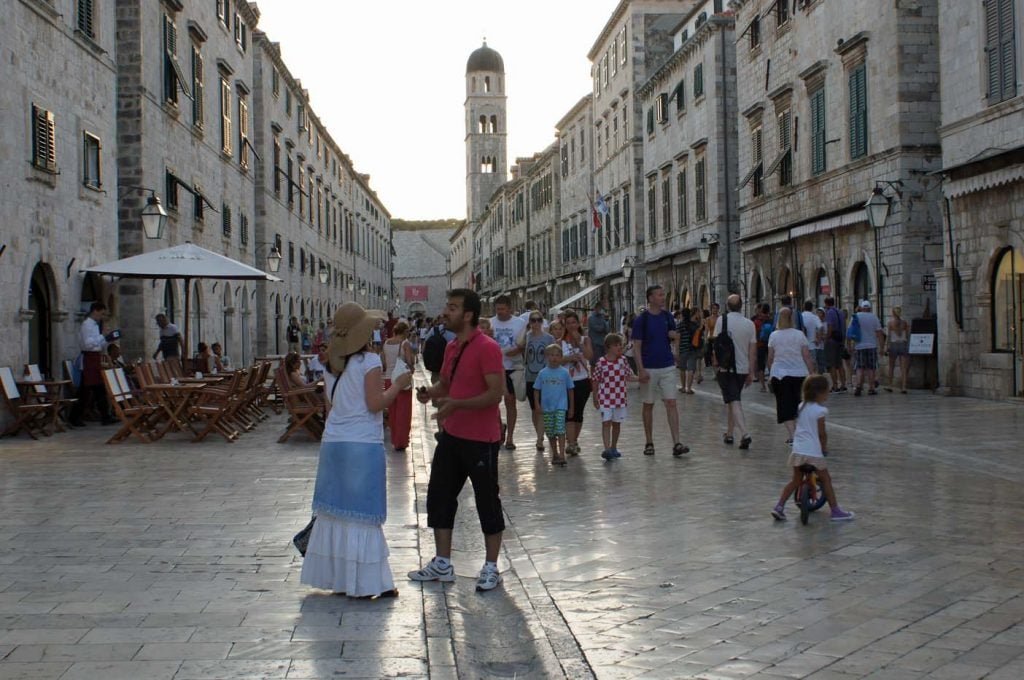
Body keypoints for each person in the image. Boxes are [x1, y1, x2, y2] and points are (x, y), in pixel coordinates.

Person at [300, 302, 412, 598]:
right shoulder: (369, 363)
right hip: (362, 444)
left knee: (337, 514)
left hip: (333, 442)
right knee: (363, 513)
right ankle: (365, 583)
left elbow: (331, 407)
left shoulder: (329, 365)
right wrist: (398, 384)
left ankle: (340, 579)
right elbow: (375, 404)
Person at [410, 289, 506, 592]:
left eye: (452, 308)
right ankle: (442, 562)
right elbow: (447, 384)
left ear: (468, 315)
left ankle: (491, 566)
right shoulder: (453, 347)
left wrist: (456, 404)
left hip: (481, 438)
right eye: (447, 306)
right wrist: (431, 394)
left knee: (486, 500)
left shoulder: (488, 348)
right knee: (439, 496)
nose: (446, 311)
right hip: (452, 434)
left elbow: (495, 394)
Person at [770, 375, 855, 522]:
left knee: (795, 481)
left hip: (798, 451)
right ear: (820, 393)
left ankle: (779, 506)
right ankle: (835, 510)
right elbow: (822, 434)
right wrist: (824, 448)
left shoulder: (800, 406)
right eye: (827, 392)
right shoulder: (820, 411)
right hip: (813, 452)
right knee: (826, 479)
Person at [631, 285, 689, 457]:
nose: (663, 297)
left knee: (671, 403)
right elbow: (636, 346)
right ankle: (649, 441)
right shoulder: (642, 319)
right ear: (650, 298)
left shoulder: (667, 316)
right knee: (648, 404)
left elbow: (671, 333)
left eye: (664, 294)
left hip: (667, 366)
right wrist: (640, 369)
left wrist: (676, 348)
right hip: (649, 366)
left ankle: (677, 442)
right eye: (659, 295)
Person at [713, 294, 757, 449]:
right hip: (743, 369)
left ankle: (745, 433)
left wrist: (715, 365)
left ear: (727, 306)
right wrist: (751, 371)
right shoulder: (749, 324)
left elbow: (716, 345)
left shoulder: (721, 321)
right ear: (741, 306)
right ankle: (730, 433)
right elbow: (753, 350)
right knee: (733, 399)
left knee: (734, 401)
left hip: (727, 368)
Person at [767, 308, 817, 442]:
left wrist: (769, 372)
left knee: (784, 406)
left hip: (780, 375)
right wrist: (812, 374)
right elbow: (807, 356)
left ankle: (793, 435)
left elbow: (770, 357)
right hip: (799, 373)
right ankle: (798, 434)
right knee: (798, 404)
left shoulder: (774, 335)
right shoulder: (800, 334)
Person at [68, 302, 116, 427]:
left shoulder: (94, 325)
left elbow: (98, 344)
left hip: (94, 358)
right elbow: (88, 344)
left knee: (94, 388)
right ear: (95, 311)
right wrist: (103, 336)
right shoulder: (87, 325)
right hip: (89, 358)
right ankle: (76, 417)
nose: (102, 316)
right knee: (89, 389)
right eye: (102, 313)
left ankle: (104, 416)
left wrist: (106, 339)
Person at [490, 296, 527, 450]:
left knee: (510, 402)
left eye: (503, 309)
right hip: (494, 368)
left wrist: (518, 349)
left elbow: (525, 343)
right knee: (492, 402)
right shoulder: (490, 323)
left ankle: (510, 437)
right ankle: (499, 428)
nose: (500, 312)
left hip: (512, 367)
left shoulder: (520, 323)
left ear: (510, 308)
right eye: (498, 309)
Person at [591, 333, 636, 460]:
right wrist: (595, 397)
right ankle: (606, 449)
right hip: (605, 398)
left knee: (617, 423)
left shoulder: (623, 360)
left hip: (620, 398)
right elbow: (595, 380)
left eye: (620, 345)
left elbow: (628, 376)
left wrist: (640, 378)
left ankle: (613, 447)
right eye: (616, 345)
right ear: (609, 347)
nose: (619, 348)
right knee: (606, 422)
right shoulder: (601, 362)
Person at [559, 310, 593, 456]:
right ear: (565, 325)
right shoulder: (560, 342)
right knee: (568, 413)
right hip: (566, 381)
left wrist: (579, 341)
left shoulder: (585, 339)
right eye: (568, 323)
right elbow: (555, 361)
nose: (571, 325)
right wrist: (568, 359)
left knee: (578, 413)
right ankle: (571, 443)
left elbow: (589, 356)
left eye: (574, 322)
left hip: (582, 380)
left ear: (578, 323)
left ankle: (574, 440)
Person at [534, 343, 573, 466]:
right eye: (551, 355)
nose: (554, 358)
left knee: (560, 429)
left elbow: (570, 390)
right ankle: (555, 453)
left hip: (561, 406)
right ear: (546, 356)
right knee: (550, 431)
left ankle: (562, 454)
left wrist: (571, 407)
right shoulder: (542, 373)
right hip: (547, 407)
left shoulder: (564, 373)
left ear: (561, 357)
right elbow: (536, 389)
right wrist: (537, 404)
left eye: (557, 355)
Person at [521, 311, 554, 452]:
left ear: (542, 322)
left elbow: (555, 355)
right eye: (532, 320)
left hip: (545, 378)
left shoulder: (549, 338)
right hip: (530, 377)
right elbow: (521, 351)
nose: (535, 323)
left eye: (538, 320)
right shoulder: (526, 337)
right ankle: (539, 434)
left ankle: (540, 439)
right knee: (535, 410)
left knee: (543, 409)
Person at [381, 321, 416, 451]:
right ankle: (401, 441)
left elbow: (384, 362)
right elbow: (409, 361)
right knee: (404, 411)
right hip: (401, 379)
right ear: (405, 331)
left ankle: (395, 439)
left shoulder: (386, 343)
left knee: (393, 410)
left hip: (388, 379)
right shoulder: (405, 343)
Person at [849, 300, 885, 396]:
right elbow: (880, 333)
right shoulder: (874, 317)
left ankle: (859, 386)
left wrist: (850, 345)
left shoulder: (856, 316)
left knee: (859, 367)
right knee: (871, 368)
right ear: (870, 308)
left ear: (861, 307)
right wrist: (882, 347)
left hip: (859, 345)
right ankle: (871, 388)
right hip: (872, 345)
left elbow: (850, 332)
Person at [823, 297, 847, 392]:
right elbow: (844, 327)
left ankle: (835, 385)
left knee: (832, 364)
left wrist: (826, 339)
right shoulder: (840, 312)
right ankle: (843, 385)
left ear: (826, 303)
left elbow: (830, 327)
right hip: (840, 340)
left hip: (832, 341)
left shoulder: (829, 312)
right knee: (840, 364)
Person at [676, 307, 702, 394]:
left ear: (682, 315)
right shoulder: (694, 325)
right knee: (691, 369)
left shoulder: (679, 325)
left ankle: (683, 387)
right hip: (693, 349)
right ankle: (689, 388)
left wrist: (677, 352)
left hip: (683, 349)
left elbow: (678, 339)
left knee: (682, 369)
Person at [885, 306, 910, 394]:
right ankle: (904, 387)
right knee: (903, 367)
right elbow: (907, 335)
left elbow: (888, 336)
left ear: (893, 313)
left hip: (893, 344)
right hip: (902, 344)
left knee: (891, 366)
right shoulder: (905, 323)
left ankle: (890, 385)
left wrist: (886, 347)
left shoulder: (890, 323)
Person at [801, 302, 825, 374]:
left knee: (803, 365)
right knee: (812, 365)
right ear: (812, 308)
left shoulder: (800, 316)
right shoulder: (814, 317)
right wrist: (819, 339)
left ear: (803, 307)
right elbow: (821, 327)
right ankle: (812, 380)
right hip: (812, 345)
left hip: (801, 345)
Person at [754, 304, 773, 391]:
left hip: (760, 345)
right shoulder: (771, 320)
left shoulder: (757, 321)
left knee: (761, 366)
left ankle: (763, 387)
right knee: (771, 364)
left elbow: (754, 334)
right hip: (770, 345)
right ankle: (772, 382)